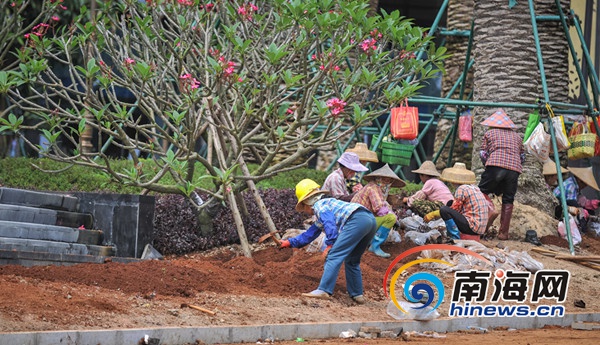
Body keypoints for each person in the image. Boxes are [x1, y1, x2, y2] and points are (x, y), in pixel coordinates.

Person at [279, 179, 377, 304]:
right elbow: (309, 235)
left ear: (308, 202)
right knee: (352, 260)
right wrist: (289, 242)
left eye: (304, 208)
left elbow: (330, 223)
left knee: (334, 255)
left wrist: (330, 244)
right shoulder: (327, 206)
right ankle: (357, 294)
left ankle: (324, 290)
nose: (306, 212)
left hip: (356, 220)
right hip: (369, 220)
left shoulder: (320, 206)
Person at [478, 108, 525, 240]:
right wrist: (513, 166)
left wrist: (487, 165)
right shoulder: (517, 137)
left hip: (495, 166)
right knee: (508, 199)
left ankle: (487, 217)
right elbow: (522, 157)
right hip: (514, 170)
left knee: (482, 192)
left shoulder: (490, 133)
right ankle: (503, 233)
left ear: (493, 124)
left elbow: (483, 154)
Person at [424, 163, 489, 241]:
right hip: (479, 228)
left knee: (444, 209)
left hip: (472, 227)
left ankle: (454, 237)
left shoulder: (461, 189)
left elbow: (454, 209)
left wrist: (434, 214)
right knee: (450, 203)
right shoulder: (474, 188)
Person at [351, 164, 405, 258]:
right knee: (390, 218)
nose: (388, 183)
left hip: (358, 220)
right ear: (379, 178)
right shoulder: (373, 188)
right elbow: (379, 209)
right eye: (385, 180)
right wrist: (394, 217)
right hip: (358, 221)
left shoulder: (373, 187)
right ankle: (374, 246)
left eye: (389, 180)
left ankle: (367, 241)